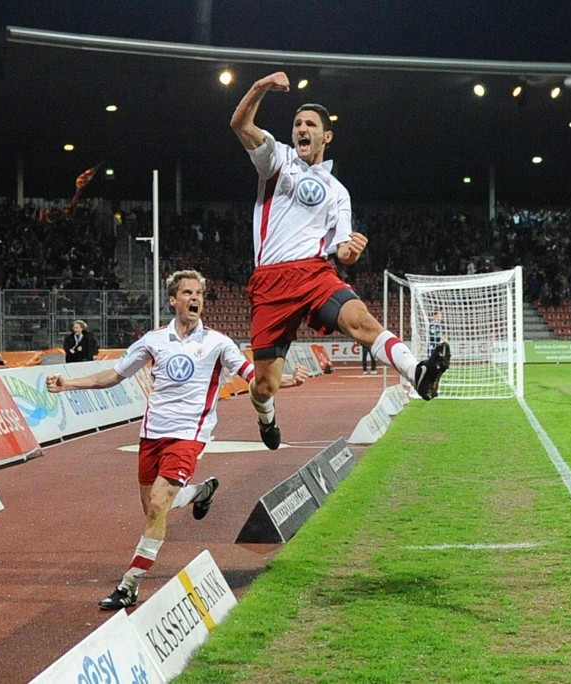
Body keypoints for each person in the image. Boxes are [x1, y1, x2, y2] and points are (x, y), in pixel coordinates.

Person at [46, 269, 310, 609]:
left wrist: (285, 380)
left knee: (159, 504)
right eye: (187, 293)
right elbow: (115, 374)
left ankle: (130, 584)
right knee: (152, 508)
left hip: (189, 434)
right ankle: (201, 492)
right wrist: (68, 384)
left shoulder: (217, 342)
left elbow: (252, 376)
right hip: (152, 433)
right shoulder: (154, 340)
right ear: (173, 300)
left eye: (198, 293)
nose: (195, 298)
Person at [230, 71, 450, 450]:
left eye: (310, 124)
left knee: (360, 319)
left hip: (314, 273)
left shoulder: (338, 192)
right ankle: (266, 415)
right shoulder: (276, 159)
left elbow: (343, 250)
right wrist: (260, 87)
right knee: (265, 385)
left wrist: (351, 251)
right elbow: (240, 124)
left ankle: (418, 372)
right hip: (271, 282)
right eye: (297, 124)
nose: (301, 129)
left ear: (326, 137)